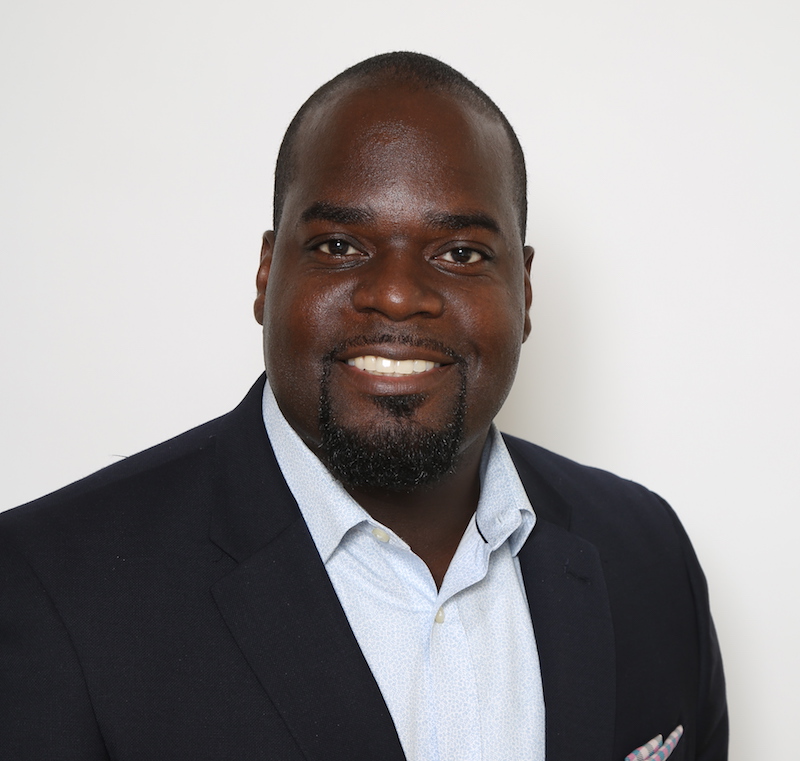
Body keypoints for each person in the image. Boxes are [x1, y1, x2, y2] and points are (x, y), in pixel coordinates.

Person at [0, 52, 727, 760]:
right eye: (340, 245)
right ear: (266, 273)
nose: (398, 294)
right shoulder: (48, 586)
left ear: (525, 289)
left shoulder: (648, 553)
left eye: (461, 253)